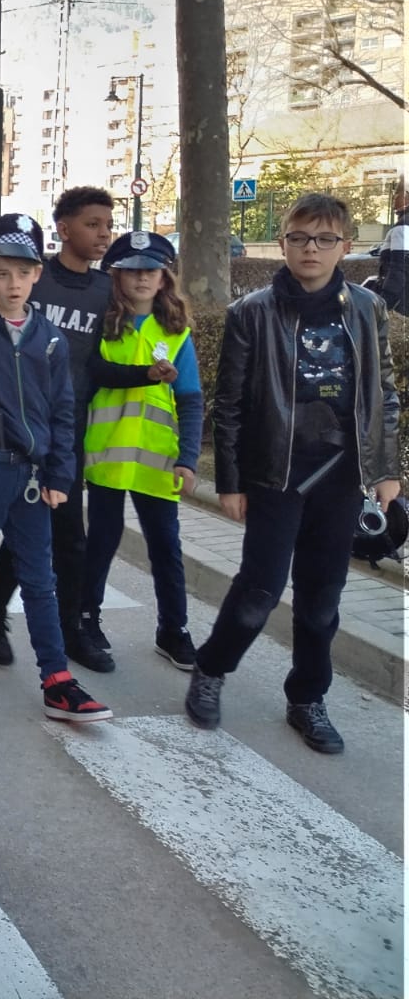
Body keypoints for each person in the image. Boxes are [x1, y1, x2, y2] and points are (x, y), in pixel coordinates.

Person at [186, 193, 401, 753]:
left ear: (345, 247)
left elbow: (384, 393)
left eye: (325, 239)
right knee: (259, 590)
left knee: (322, 599)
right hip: (275, 476)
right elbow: (230, 403)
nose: (311, 249)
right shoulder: (251, 312)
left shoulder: (367, 308)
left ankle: (307, 697)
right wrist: (230, 481)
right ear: (283, 243)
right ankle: (211, 668)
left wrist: (386, 468)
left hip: (342, 477)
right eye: (300, 237)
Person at [0, 213, 113, 724]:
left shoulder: (49, 338)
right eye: (2, 273)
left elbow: (62, 410)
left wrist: (59, 473)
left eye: (24, 273)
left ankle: (56, 680)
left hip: (33, 477)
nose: (13, 284)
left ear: (37, 275)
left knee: (40, 578)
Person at [0, 187, 116, 669]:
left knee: (68, 537)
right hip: (18, 433)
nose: (103, 234)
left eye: (108, 224)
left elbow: (97, 363)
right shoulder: (33, 278)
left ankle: (71, 629)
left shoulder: (106, 291)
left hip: (68, 430)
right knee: (25, 530)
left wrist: (146, 374)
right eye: (92, 224)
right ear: (63, 228)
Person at [80, 232, 203, 672]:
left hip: (156, 459)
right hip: (107, 455)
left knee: (166, 546)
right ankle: (86, 619)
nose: (142, 278)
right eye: (131, 270)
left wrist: (188, 458)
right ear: (116, 276)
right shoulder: (102, 324)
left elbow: (190, 399)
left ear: (165, 276)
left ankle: (174, 630)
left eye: (151, 270)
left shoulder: (176, 332)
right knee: (102, 540)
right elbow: (92, 377)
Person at [378, 183, 409, 316]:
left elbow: (399, 267)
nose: (393, 200)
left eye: (396, 195)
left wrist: (384, 303)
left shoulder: (403, 226)